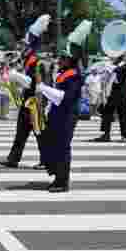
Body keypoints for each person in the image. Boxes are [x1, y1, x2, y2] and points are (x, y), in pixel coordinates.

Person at [0, 24, 47, 169]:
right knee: (21, 131)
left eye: (25, 44)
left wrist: (15, 75)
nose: (21, 47)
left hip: (35, 101)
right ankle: (13, 158)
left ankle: (47, 160)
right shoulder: (29, 59)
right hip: (28, 100)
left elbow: (35, 83)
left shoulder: (35, 61)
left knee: (39, 132)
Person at [34, 49, 84, 192]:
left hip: (67, 116)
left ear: (70, 60)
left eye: (63, 58)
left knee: (62, 148)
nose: (59, 61)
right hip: (57, 114)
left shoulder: (74, 76)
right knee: (52, 144)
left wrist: (43, 87)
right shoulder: (63, 73)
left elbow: (66, 98)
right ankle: (57, 175)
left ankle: (62, 182)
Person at [91, 55, 126, 142]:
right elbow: (107, 76)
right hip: (113, 92)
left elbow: (118, 78)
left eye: (115, 57)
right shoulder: (114, 65)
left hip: (121, 93)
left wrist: (110, 67)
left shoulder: (124, 65)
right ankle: (106, 135)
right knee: (107, 113)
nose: (113, 58)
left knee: (122, 114)